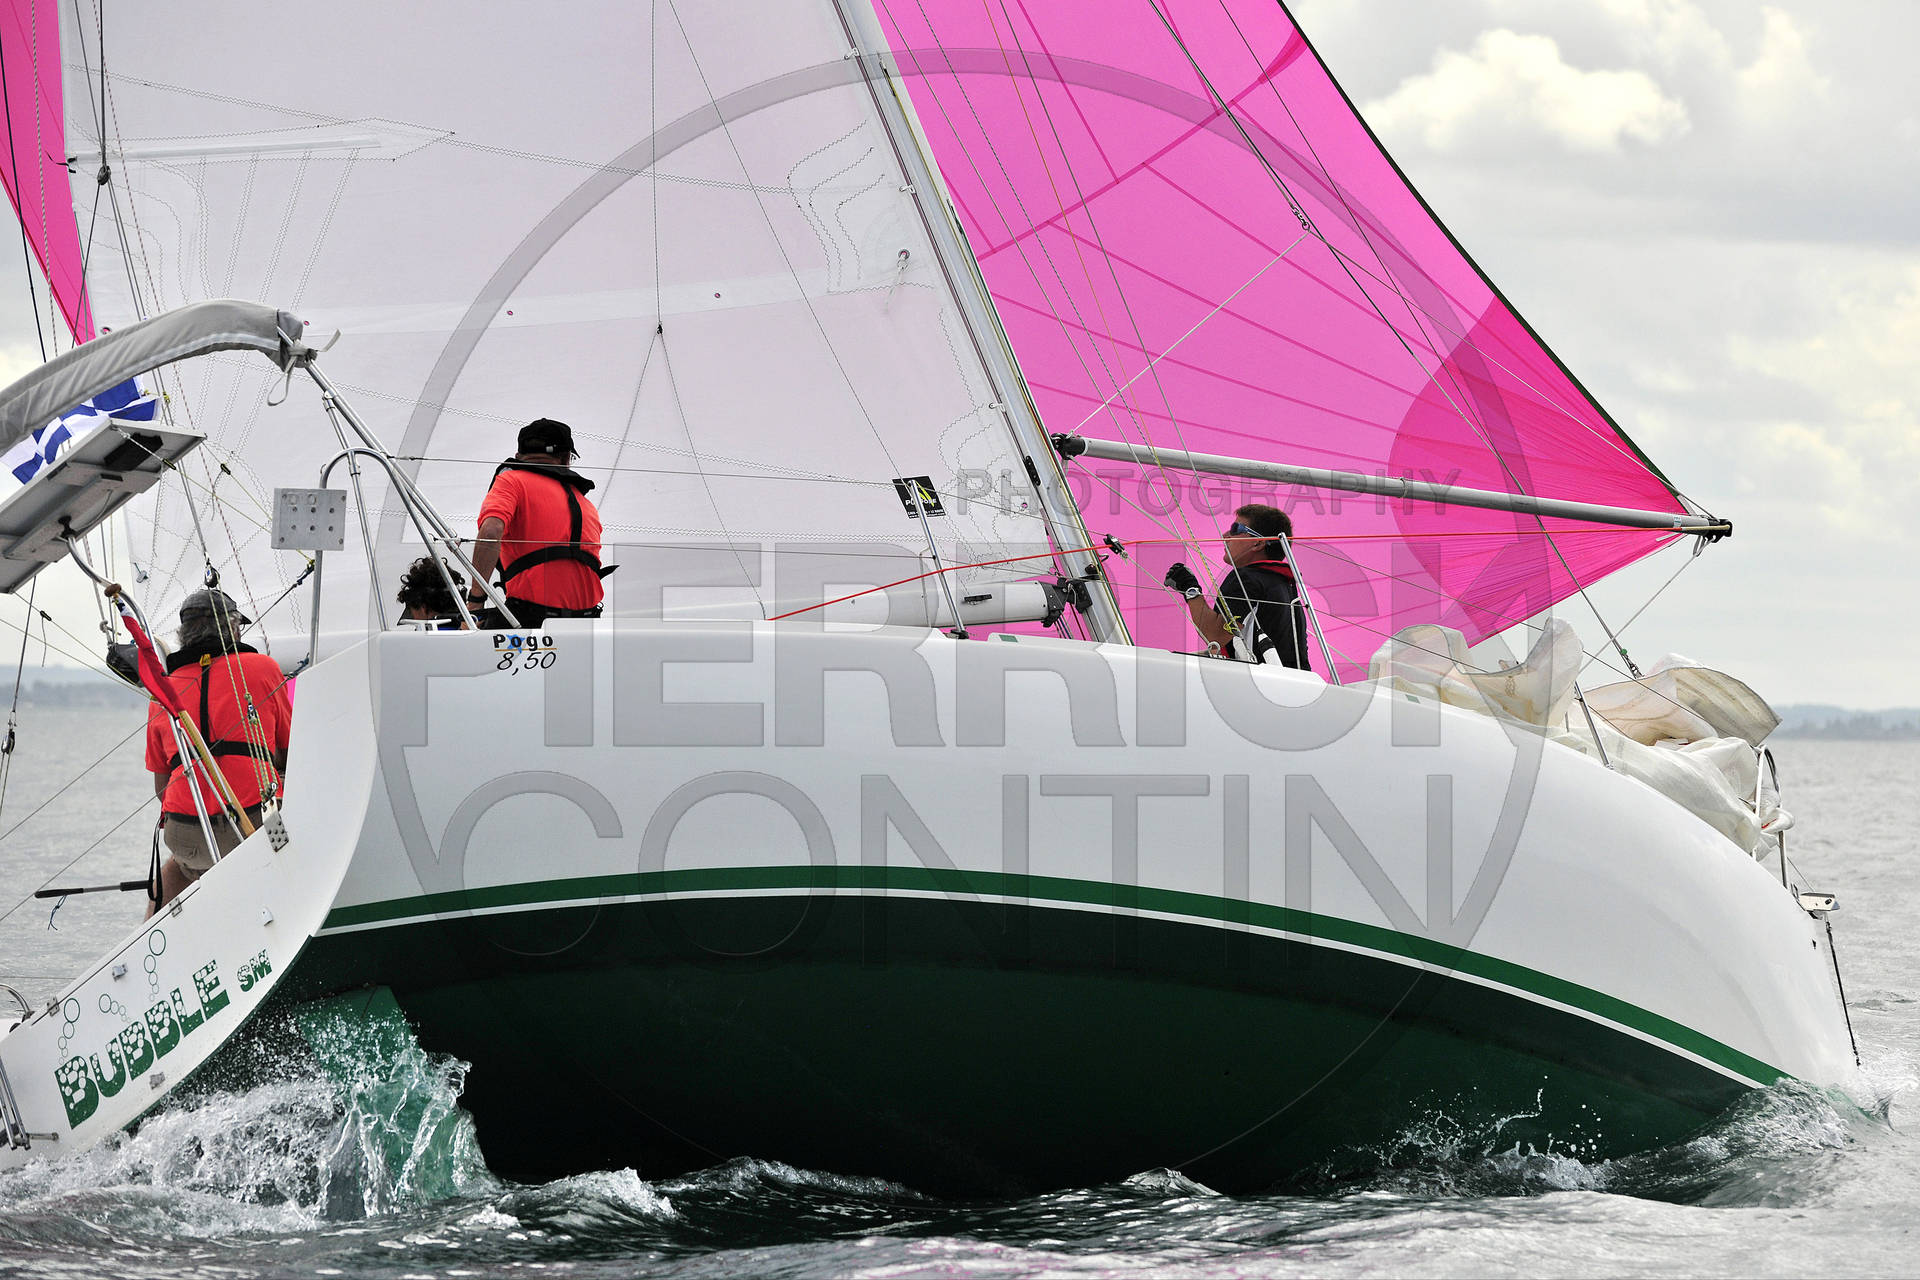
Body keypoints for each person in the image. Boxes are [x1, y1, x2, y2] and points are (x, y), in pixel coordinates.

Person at [142, 589, 293, 914]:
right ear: (233, 628)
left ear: (183, 634)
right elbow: (291, 753)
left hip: (187, 836)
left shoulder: (162, 692)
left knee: (177, 868)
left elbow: (161, 788)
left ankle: (149, 935)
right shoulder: (264, 669)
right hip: (254, 825)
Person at [465, 418, 610, 627]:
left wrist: (475, 602)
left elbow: (490, 532)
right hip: (586, 624)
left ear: (519, 456)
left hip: (531, 621)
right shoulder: (584, 502)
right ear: (565, 458)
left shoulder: (511, 481)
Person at [1163, 503, 1312, 670]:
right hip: (1294, 680)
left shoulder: (1246, 578)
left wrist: (1189, 587)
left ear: (1257, 543)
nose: (1225, 535)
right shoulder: (1285, 584)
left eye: (1235, 529)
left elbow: (1215, 637)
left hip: (1260, 681)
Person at [396, 556, 470, 629]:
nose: (413, 617)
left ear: (423, 608)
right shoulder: (471, 623)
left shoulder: (420, 635)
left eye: (412, 613)